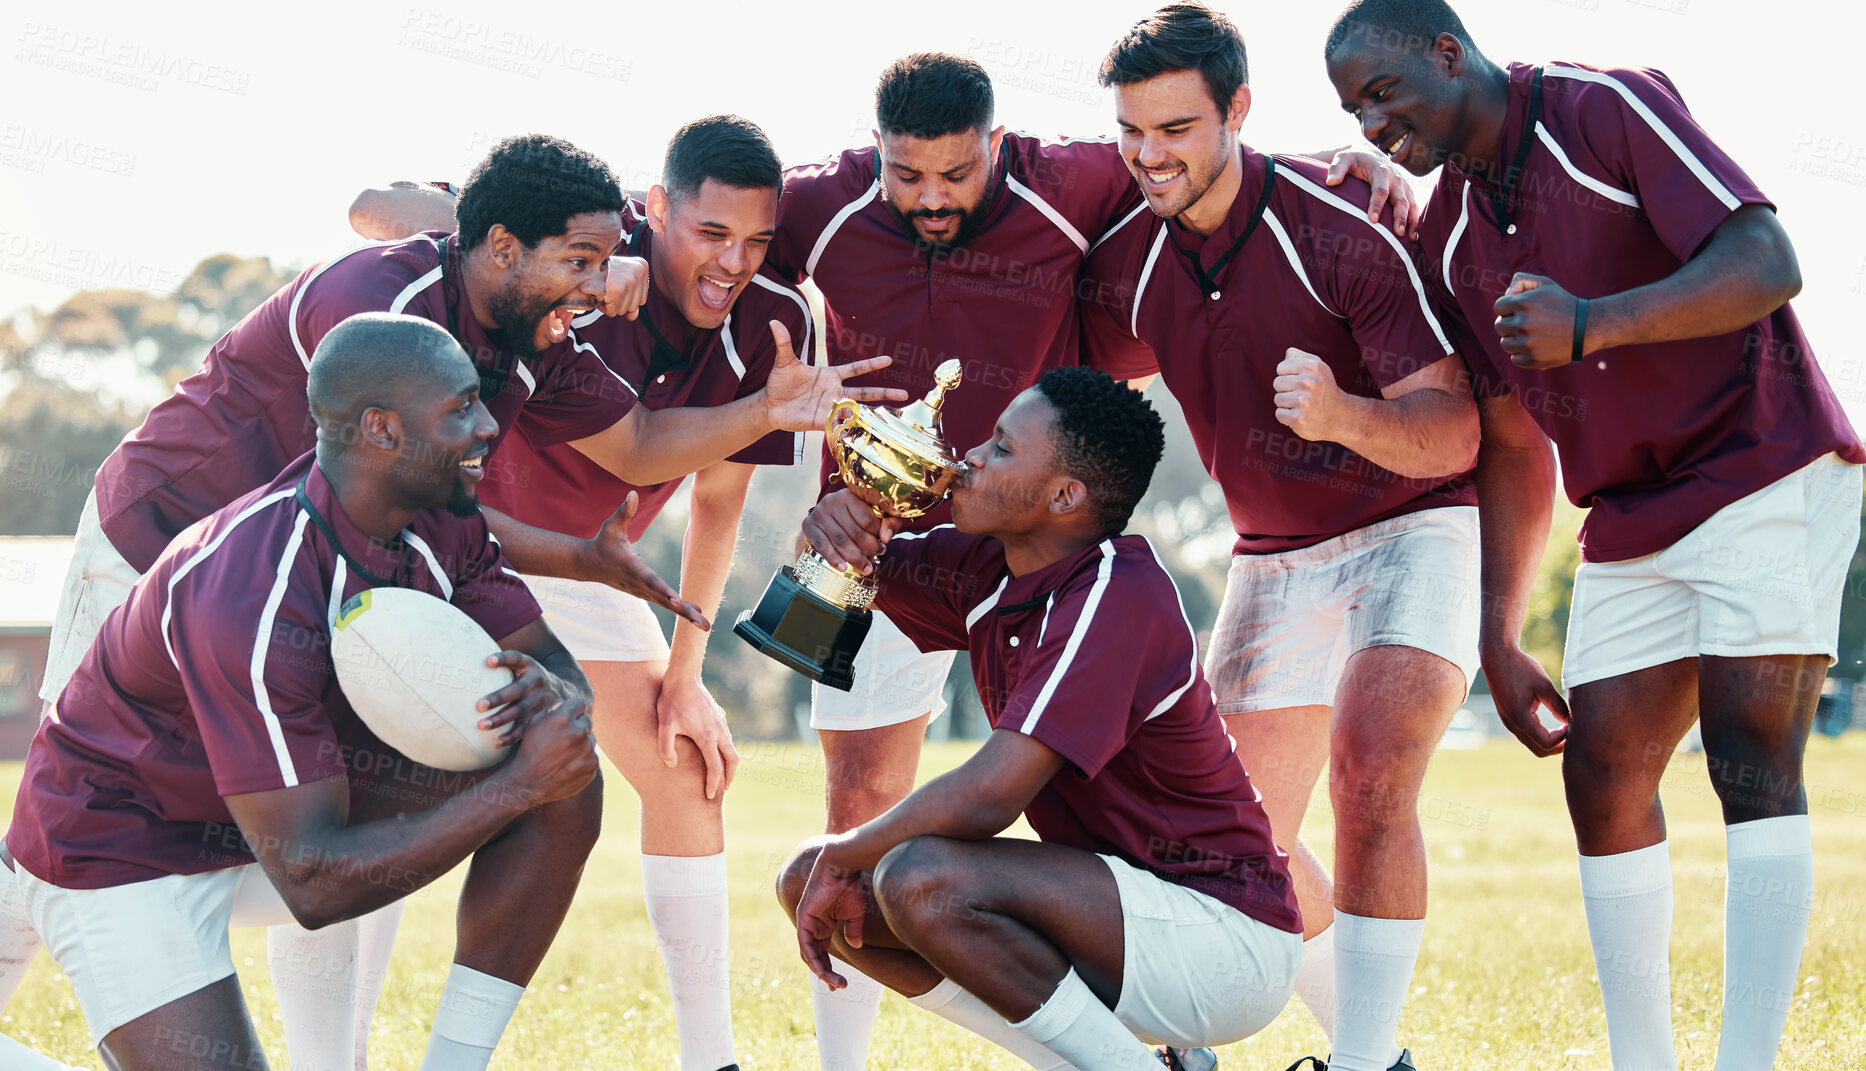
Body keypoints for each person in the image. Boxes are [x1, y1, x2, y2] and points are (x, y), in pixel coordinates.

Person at [355, 59, 1416, 1067]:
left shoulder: (1069, 180)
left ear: (997, 147)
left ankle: (1368, 1046)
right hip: (895, 536)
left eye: (957, 172)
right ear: (874, 155)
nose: (931, 195)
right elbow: (414, 212)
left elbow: (1195, 158)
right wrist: (610, 256)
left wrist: (1340, 162)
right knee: (860, 800)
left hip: (1026, 537)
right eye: (907, 173)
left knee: (1138, 820)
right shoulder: (807, 205)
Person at [36, 132, 900, 1071]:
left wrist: (753, 419)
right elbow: (376, 215)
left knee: (399, 794)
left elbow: (638, 444)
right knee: (82, 814)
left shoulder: (531, 344)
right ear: (499, 246)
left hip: (333, 566)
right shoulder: (390, 310)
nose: (604, 278)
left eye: (604, 256)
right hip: (162, 536)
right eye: (583, 257)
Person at [1323, 3, 1864, 1069]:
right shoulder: (1448, 238)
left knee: (1751, 759)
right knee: (1603, 775)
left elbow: (1768, 258)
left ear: (1448, 51)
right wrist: (1496, 631)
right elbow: (1514, 444)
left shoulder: (1598, 106)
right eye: (1354, 109)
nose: (1375, 123)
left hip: (1766, 458)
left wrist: (1596, 322)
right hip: (1630, 507)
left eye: (1385, 92)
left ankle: (1747, 1060)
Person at [1, 313, 603, 1071]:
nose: (487, 425)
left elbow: (550, 659)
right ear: (381, 429)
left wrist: (559, 697)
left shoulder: (442, 518)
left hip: (283, 814)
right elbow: (314, 883)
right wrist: (514, 785)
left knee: (566, 774)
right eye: (460, 408)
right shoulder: (250, 586)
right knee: (536, 776)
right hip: (122, 842)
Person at [1075, 6, 1484, 1069]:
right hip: (1272, 554)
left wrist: (1345, 415)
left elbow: (1452, 431)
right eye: (1132, 130)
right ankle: (1340, 1053)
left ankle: (1364, 1064)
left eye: (1176, 127)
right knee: (1216, 835)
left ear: (1237, 112)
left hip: (1412, 524)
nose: (1150, 154)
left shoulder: (1340, 224)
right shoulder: (1127, 249)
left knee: (1372, 771)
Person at [779, 366, 1302, 1071]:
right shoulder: (989, 567)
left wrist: (853, 851)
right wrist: (836, 526)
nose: (969, 457)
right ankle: (1102, 1061)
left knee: (918, 876)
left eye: (1000, 447)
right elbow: (830, 603)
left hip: (1222, 939)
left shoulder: (1119, 590)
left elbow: (990, 796)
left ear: (1064, 494)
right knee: (809, 875)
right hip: (1109, 917)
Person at [473, 114, 810, 1071]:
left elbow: (718, 499)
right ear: (655, 208)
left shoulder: (771, 315)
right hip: (471, 540)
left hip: (593, 562)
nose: (732, 263)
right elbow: (387, 212)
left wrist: (688, 674)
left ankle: (711, 1060)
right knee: (390, 785)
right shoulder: (583, 253)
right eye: (710, 234)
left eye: (754, 240)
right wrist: (586, 274)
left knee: (687, 764)